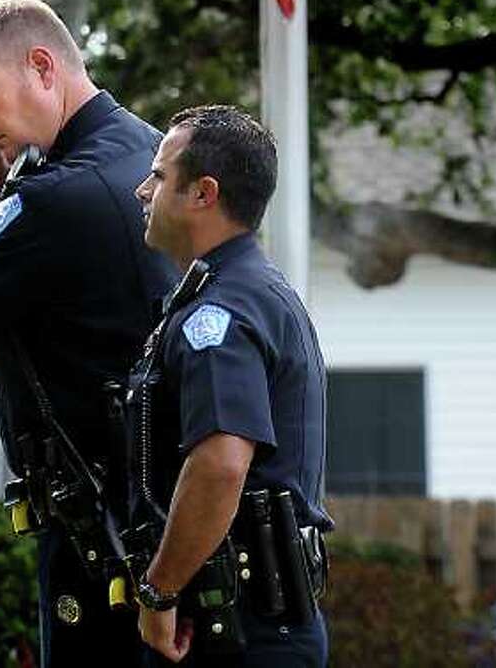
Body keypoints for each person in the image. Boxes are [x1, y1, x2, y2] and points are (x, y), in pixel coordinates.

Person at [0, 0, 176, 666]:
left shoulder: (52, 199)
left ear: (43, 66)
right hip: (173, 523)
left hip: (101, 535)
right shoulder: (158, 156)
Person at [128, 105, 331, 666]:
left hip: (233, 637)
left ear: (202, 193)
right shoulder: (255, 291)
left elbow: (221, 464)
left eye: (161, 176)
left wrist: (159, 590)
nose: (144, 190)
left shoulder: (218, 315)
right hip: (259, 627)